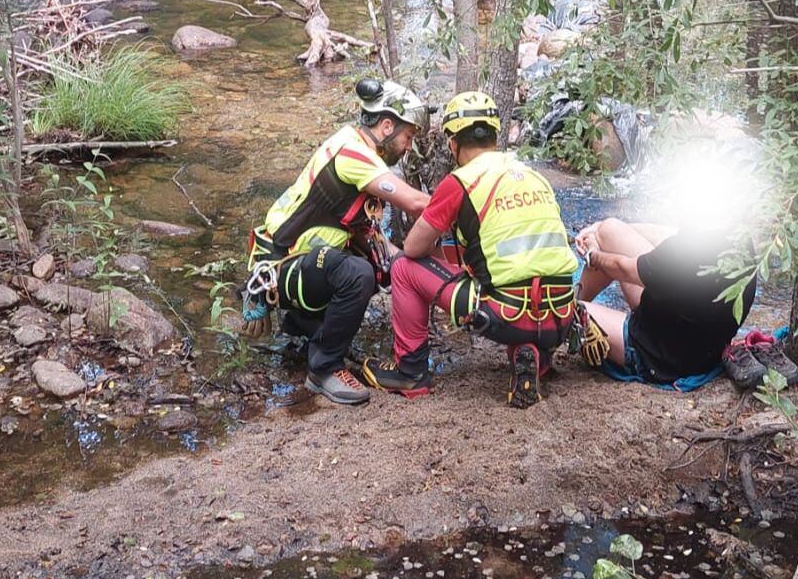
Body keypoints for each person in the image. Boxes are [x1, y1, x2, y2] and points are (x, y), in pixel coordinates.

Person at [355, 91, 580, 407]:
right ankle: (534, 357)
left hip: (507, 315)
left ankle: (410, 372)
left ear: (452, 143)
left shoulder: (461, 181)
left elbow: (415, 248)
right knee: (520, 281)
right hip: (561, 315)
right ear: (494, 135)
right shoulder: (533, 176)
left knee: (404, 268)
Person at [242, 78, 431, 405]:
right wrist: (465, 202)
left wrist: (410, 269)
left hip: (300, 265)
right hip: (282, 265)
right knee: (358, 273)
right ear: (386, 125)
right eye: (407, 137)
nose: (408, 147)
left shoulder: (357, 150)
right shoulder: (352, 152)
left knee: (378, 266)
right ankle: (324, 369)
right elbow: (415, 203)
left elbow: (373, 240)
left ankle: (305, 326)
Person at [570, 217, 753, 388]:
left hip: (657, 359)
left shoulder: (683, 252)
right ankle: (575, 301)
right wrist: (598, 229)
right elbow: (667, 235)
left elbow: (622, 268)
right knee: (610, 229)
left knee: (570, 310)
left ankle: (568, 311)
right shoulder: (736, 236)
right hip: (693, 341)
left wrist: (592, 254)